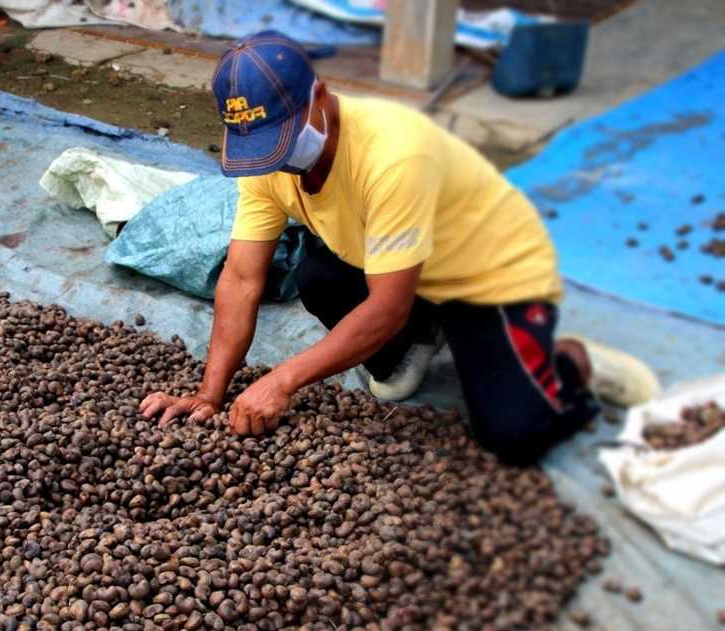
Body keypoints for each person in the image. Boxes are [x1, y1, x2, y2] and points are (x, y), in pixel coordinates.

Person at [139, 30, 659, 464]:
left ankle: (572, 362)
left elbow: (385, 306)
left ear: (318, 96)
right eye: (258, 146)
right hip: (397, 263)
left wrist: (282, 379)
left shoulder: (392, 153)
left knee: (513, 436)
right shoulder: (268, 160)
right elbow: (242, 276)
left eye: (278, 139)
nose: (269, 158)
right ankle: (418, 339)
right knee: (317, 276)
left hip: (480, 272)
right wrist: (209, 394)